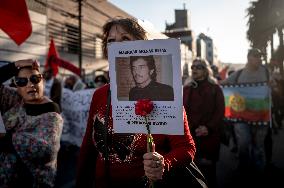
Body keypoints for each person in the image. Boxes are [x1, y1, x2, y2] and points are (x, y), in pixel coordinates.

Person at [76, 17, 196, 188]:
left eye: (125, 38)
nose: (117, 45)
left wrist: (164, 163)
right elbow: (88, 146)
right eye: (111, 41)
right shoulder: (99, 95)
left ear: (142, 45)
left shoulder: (167, 93)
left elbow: (186, 147)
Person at [0, 59, 63, 187]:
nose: (30, 85)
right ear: (16, 87)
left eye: (34, 79)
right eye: (22, 81)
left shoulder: (51, 110)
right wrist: (14, 65)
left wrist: (3, 140)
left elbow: (44, 148)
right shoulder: (15, 99)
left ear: (43, 82)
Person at [221, 48, 271, 186]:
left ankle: (258, 174)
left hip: (261, 118)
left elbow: (274, 86)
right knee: (243, 143)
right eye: (256, 56)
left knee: (258, 147)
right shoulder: (239, 74)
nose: (259, 59)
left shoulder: (266, 72)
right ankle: (243, 169)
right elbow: (222, 85)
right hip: (242, 118)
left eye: (260, 56)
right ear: (249, 57)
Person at [183, 58, 225, 188]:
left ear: (206, 70)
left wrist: (208, 128)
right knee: (191, 172)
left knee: (208, 173)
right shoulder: (187, 88)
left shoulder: (215, 88)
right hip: (191, 136)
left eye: (198, 67)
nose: (194, 69)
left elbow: (220, 111)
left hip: (209, 136)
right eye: (193, 67)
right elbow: (182, 110)